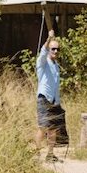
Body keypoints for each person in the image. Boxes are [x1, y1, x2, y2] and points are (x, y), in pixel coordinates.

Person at [35, 29, 68, 162]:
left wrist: (58, 102)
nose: (55, 51)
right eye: (53, 49)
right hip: (44, 99)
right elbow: (43, 52)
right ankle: (37, 154)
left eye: (57, 49)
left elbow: (55, 85)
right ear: (49, 49)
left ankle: (50, 154)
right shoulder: (42, 62)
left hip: (54, 100)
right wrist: (49, 39)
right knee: (43, 127)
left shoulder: (56, 66)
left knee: (53, 128)